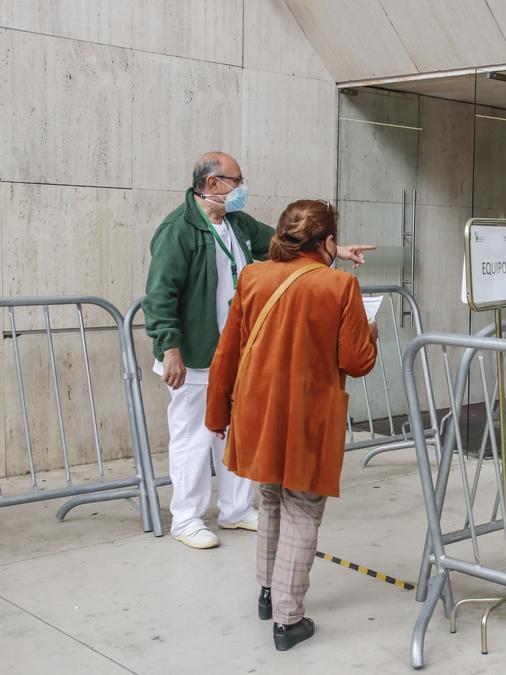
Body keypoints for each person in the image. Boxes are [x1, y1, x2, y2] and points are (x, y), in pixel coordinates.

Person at [144, 151, 373, 549]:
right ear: (212, 184)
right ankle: (187, 518)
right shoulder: (178, 230)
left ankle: (235, 510)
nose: (242, 187)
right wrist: (170, 347)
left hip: (234, 350)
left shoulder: (235, 223)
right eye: (236, 180)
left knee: (233, 433)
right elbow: (160, 293)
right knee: (194, 437)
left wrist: (333, 250)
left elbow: (283, 243)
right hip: (195, 353)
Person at [206, 199, 379, 651]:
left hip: (256, 411)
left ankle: (267, 593)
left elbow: (228, 350)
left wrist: (217, 414)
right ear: (327, 242)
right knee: (302, 508)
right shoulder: (340, 287)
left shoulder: (253, 276)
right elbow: (357, 361)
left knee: (271, 499)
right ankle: (287, 619)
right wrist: (371, 332)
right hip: (307, 416)